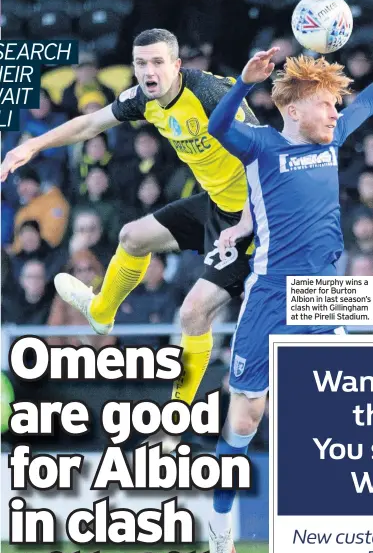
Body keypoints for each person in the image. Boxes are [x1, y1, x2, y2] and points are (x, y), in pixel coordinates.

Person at [1, 28, 259, 450]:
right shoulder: (142, 98)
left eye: (158, 62)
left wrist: (246, 222)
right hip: (216, 202)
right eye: (141, 63)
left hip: (254, 214)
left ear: (178, 65)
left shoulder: (210, 93)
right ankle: (103, 310)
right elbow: (89, 123)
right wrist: (31, 148)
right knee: (132, 237)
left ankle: (174, 427)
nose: (148, 71)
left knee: (193, 314)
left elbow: (263, 159)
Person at [207, 50, 373, 553]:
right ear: (296, 109)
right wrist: (243, 83)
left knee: (342, 413)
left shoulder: (336, 138)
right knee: (246, 413)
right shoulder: (261, 146)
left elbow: (368, 101)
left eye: (335, 107)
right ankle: (218, 533)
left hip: (327, 290)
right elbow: (217, 128)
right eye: (325, 105)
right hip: (272, 293)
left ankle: (340, 542)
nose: (334, 114)